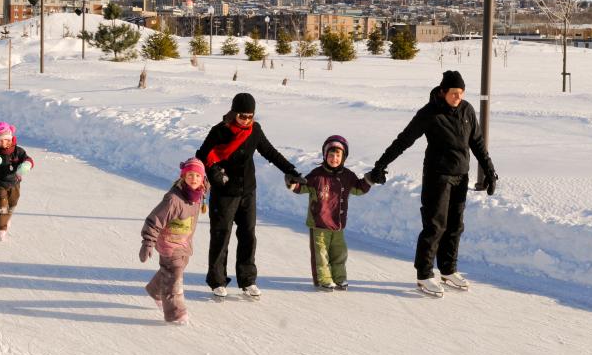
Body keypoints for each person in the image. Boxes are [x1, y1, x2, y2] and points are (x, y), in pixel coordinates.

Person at [370, 70, 498, 296]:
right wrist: (380, 165)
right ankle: (424, 274)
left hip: (461, 175)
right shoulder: (429, 113)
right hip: (438, 176)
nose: (457, 97)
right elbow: (404, 140)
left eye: (461, 93)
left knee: (455, 225)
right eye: (453, 93)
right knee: (435, 225)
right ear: (443, 92)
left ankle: (448, 270)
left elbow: (477, 141)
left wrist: (489, 170)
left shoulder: (467, 110)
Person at [196, 92, 304, 299]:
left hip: (248, 191)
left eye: (250, 116)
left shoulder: (255, 130)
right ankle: (217, 281)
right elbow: (201, 157)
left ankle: (247, 280)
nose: (246, 120)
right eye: (242, 116)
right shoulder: (219, 131)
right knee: (221, 235)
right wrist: (214, 172)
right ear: (234, 113)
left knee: (248, 235)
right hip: (224, 192)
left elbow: (270, 152)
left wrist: (291, 171)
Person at [288, 135, 373, 291]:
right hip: (319, 223)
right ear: (325, 156)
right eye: (331, 155)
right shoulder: (317, 175)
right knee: (321, 254)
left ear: (344, 157)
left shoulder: (348, 175)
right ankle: (323, 279)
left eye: (338, 155)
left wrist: (370, 179)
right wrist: (292, 183)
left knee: (340, 253)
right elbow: (302, 188)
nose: (334, 158)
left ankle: (339, 278)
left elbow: (358, 189)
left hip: (338, 224)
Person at [139, 158, 209, 324]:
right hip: (169, 244)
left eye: (198, 176)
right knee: (174, 275)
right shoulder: (173, 200)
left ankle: (155, 290)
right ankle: (175, 313)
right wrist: (147, 242)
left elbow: (208, 183)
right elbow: (154, 220)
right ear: (183, 177)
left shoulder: (199, 192)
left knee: (177, 267)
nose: (194, 179)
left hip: (184, 243)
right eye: (190, 175)